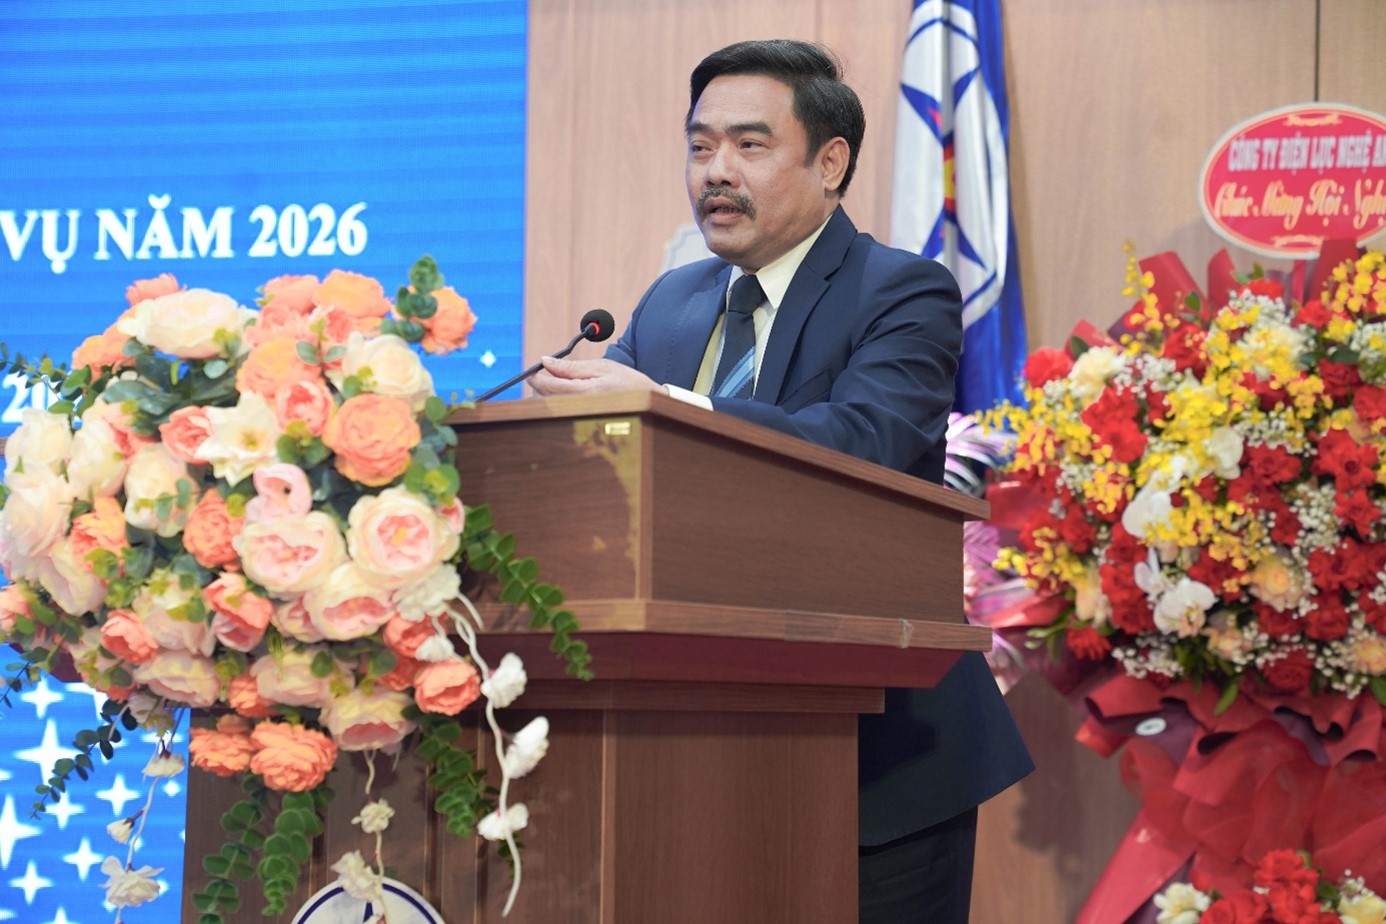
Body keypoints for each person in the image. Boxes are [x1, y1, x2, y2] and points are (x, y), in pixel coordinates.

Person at [530, 38, 1033, 924]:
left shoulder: (902, 291)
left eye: (749, 145)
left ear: (830, 163)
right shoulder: (673, 301)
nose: (715, 171)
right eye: (700, 146)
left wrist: (665, 405)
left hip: (882, 755)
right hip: (691, 748)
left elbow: (868, 444)